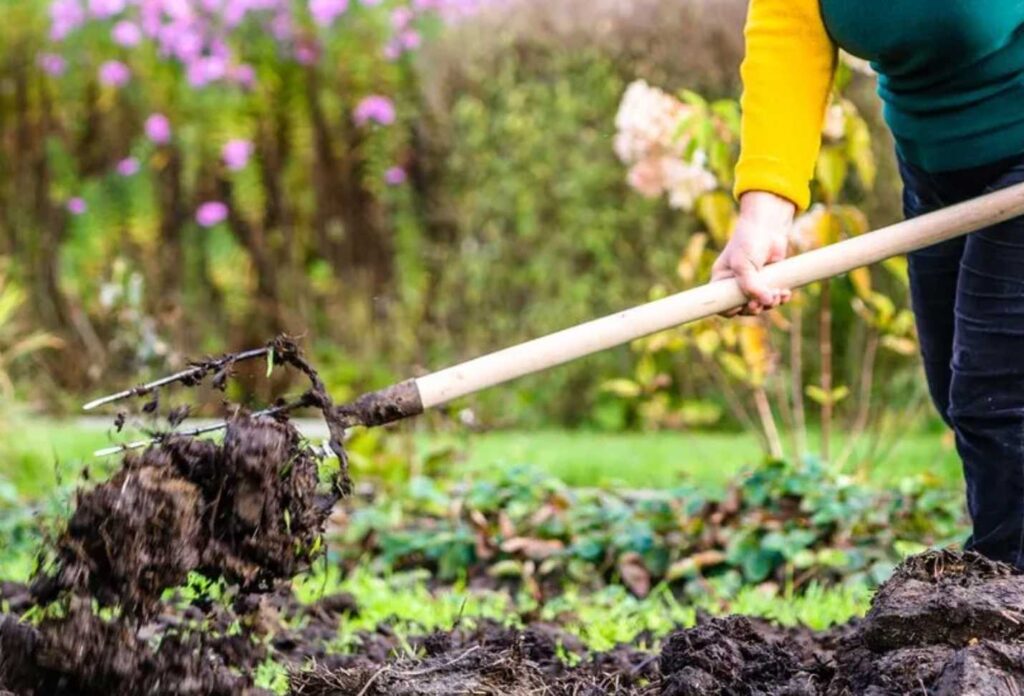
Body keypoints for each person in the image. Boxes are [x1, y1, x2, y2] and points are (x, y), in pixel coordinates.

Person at [712, 0, 1024, 568]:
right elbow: (790, 35)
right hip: (935, 167)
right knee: (957, 391)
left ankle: (1005, 596)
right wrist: (764, 214)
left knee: (999, 396)